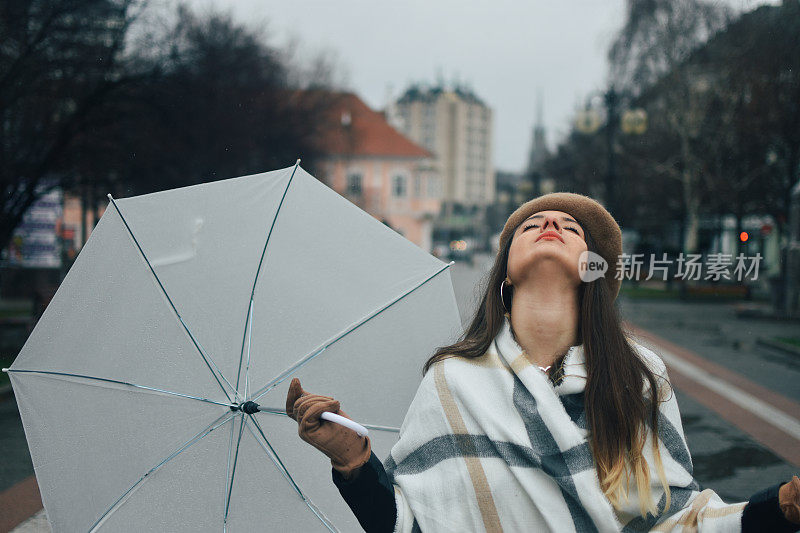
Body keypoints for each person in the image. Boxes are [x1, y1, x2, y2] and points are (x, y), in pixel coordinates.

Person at [286, 192, 800, 532]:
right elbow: (410, 525)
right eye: (533, 224)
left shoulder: (641, 376)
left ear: (592, 271)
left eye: (569, 227)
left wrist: (780, 506)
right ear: (504, 276)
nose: (551, 221)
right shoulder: (452, 380)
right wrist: (354, 463)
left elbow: (678, 522)